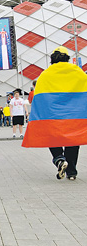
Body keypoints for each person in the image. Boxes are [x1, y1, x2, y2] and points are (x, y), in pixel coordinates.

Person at [23, 46, 87, 180]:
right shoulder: (78, 72)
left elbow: (39, 98)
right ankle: (71, 172)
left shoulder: (45, 75)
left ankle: (59, 159)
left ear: (52, 59)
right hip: (73, 115)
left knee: (51, 136)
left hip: (52, 115)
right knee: (73, 140)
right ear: (67, 58)